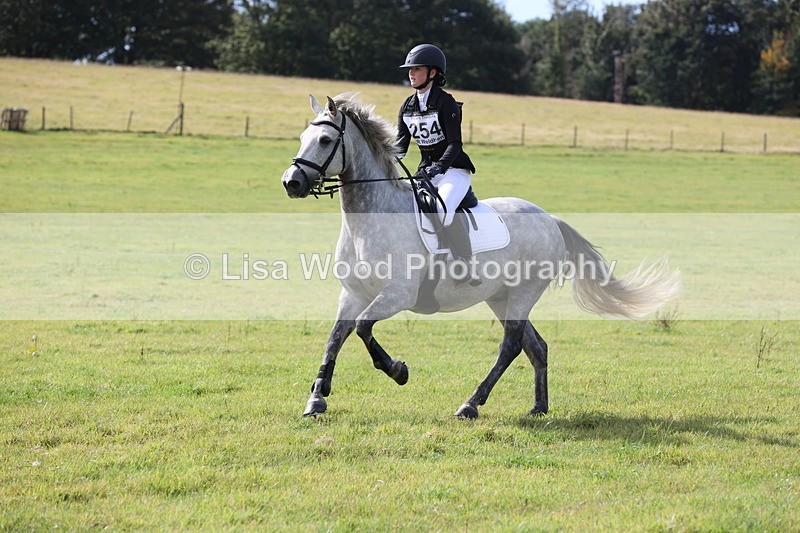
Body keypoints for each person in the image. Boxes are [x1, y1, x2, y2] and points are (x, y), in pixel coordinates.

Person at [396, 43, 480, 285]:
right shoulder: (407, 106)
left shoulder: (446, 102)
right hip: (426, 172)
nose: (411, 73)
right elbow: (400, 146)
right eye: (410, 69)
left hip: (453, 170)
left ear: (433, 73)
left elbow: (455, 143)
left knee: (442, 210)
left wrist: (440, 167)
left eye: (417, 69)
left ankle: (465, 264)